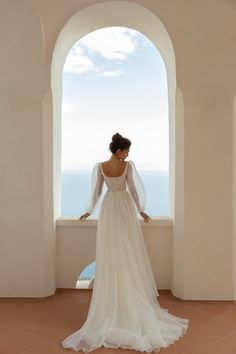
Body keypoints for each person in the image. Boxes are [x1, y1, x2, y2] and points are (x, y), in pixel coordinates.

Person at [62, 133, 189, 353]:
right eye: (127, 150)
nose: (128, 154)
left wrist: (89, 210)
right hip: (124, 207)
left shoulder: (100, 166)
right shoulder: (127, 166)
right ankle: (126, 296)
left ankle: (118, 296)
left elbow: (96, 192)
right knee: (127, 248)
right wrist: (141, 210)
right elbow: (133, 190)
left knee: (113, 249)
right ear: (119, 150)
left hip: (110, 208)